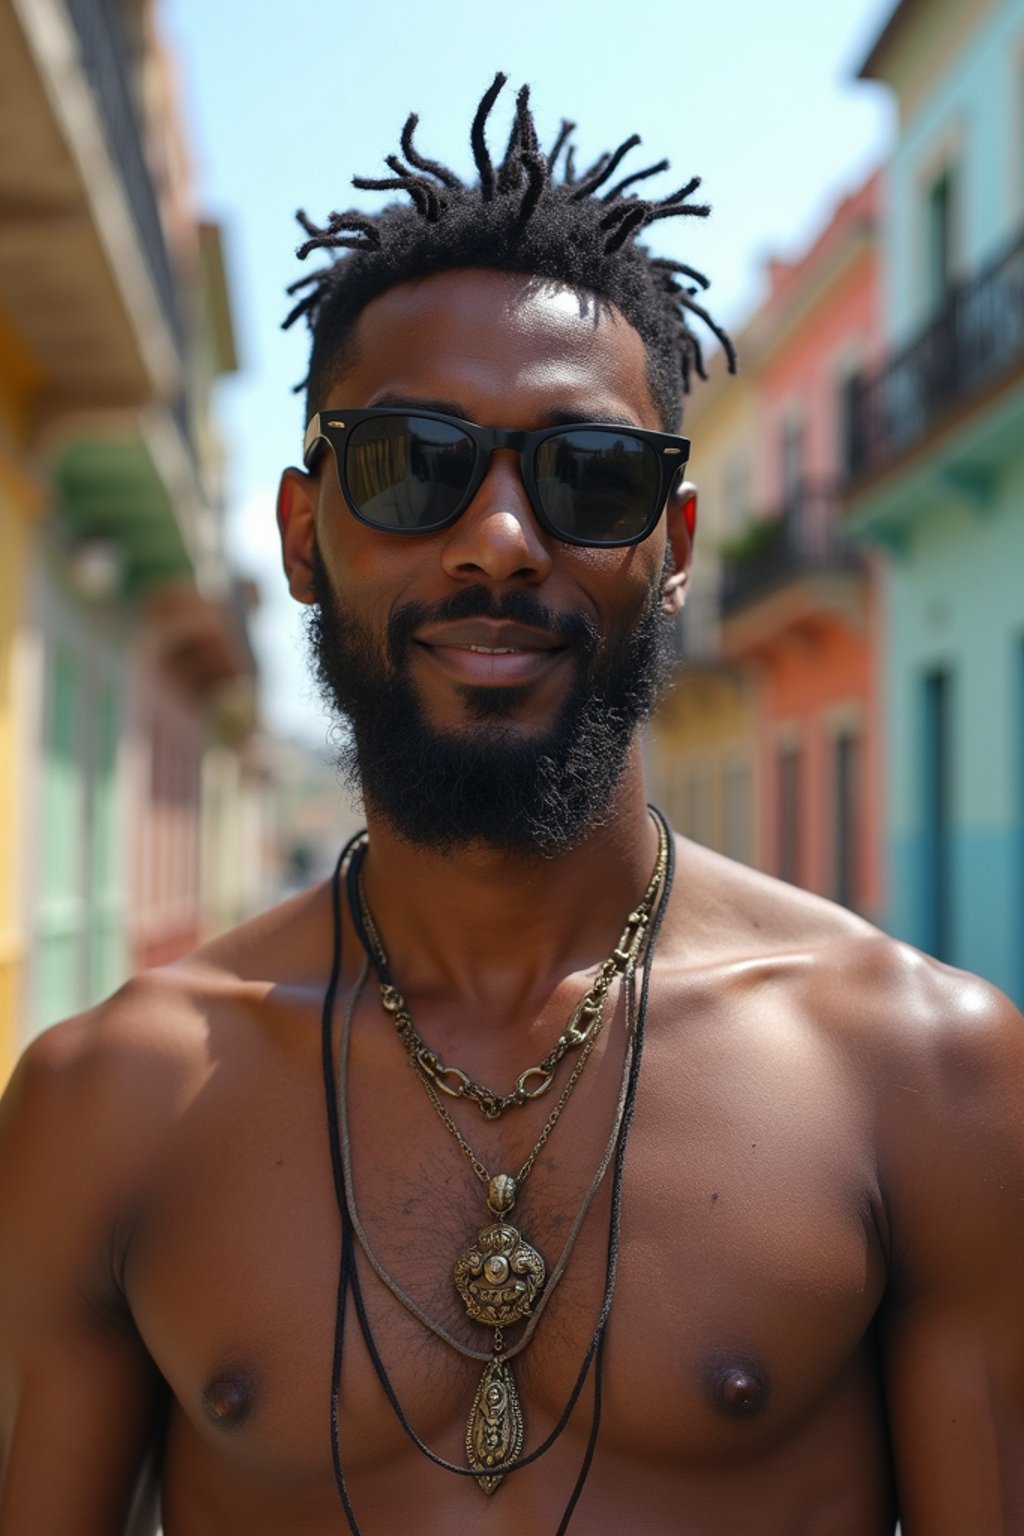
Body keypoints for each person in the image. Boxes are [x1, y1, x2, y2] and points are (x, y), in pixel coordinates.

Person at [1, 75, 1022, 1536]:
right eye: (411, 465)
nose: (497, 542)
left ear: (672, 548)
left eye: (587, 478)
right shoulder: (110, 1104)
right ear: (305, 536)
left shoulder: (930, 1080)